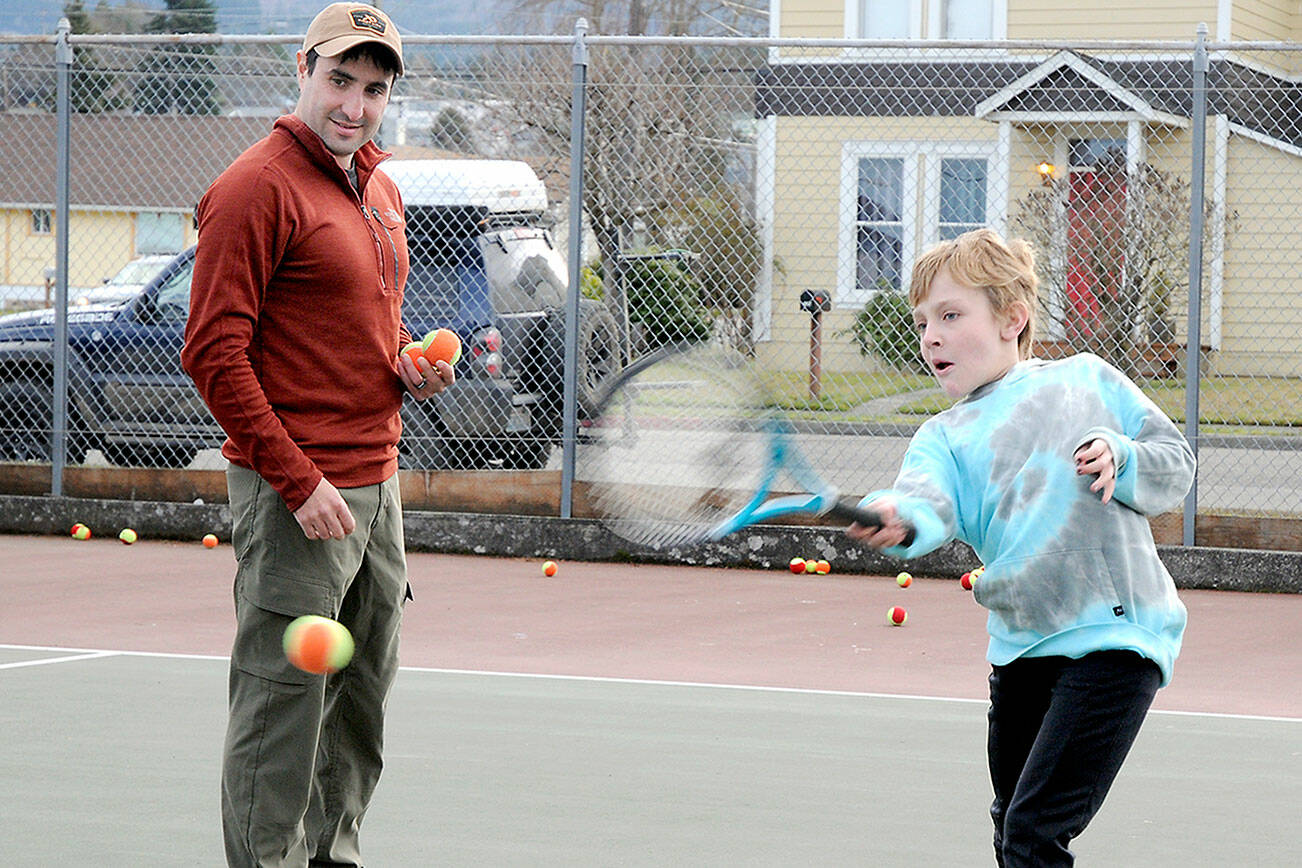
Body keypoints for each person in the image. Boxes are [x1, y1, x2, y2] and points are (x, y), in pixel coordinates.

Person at [181, 4, 453, 865]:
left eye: (374, 89)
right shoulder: (253, 187)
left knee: (361, 703)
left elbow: (357, 330)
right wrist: (298, 481)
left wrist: (406, 363)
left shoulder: (379, 189)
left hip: (376, 492)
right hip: (297, 496)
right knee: (282, 714)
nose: (355, 104)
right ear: (301, 68)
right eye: (339, 80)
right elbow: (213, 354)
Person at [847, 228, 1194, 867]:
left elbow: (1174, 464)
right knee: (1013, 826)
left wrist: (1124, 456)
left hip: (1114, 642)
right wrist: (897, 518)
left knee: (1035, 829)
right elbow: (926, 507)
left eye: (952, 315)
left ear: (1014, 318)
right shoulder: (942, 437)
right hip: (1020, 646)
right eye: (923, 321)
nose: (932, 335)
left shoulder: (1087, 382)